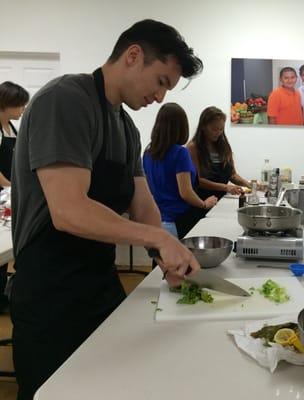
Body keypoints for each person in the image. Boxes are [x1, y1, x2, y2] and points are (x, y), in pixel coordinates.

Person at [10, 19, 203, 400]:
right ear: (133, 56)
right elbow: (68, 211)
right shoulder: (66, 99)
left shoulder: (126, 128)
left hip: (97, 281)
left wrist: (168, 257)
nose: (161, 97)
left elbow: (143, 204)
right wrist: (156, 238)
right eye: (161, 81)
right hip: (50, 290)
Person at [143, 102, 217, 239]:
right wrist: (204, 204)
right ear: (182, 127)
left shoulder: (148, 153)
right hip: (178, 221)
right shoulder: (180, 153)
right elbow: (186, 192)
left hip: (157, 220)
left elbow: (148, 189)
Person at [0, 81, 29, 313]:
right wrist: (11, 186)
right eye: (19, 105)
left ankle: (3, 294)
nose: (23, 109)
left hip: (10, 193)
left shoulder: (12, 127)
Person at [187, 106, 251, 200]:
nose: (218, 133)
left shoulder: (224, 146)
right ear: (203, 127)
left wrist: (249, 184)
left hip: (221, 199)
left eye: (221, 129)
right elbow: (198, 180)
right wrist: (225, 187)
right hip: (202, 200)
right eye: (214, 129)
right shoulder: (193, 147)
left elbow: (232, 175)